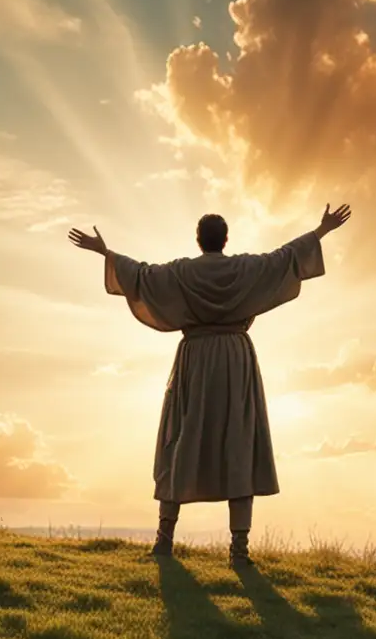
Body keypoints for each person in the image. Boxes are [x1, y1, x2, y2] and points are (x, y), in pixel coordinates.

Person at [69, 204, 352, 566]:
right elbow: (286, 257)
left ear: (199, 240)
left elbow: (141, 275)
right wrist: (322, 229)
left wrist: (104, 252)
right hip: (235, 360)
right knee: (239, 441)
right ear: (226, 240)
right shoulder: (246, 268)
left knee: (179, 440)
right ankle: (239, 551)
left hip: (196, 360)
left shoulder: (182, 272)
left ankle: (164, 542)